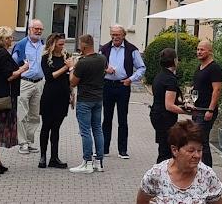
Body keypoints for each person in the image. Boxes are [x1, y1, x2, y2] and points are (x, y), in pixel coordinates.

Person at [0, 26, 28, 174]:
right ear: (2, 40)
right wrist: (23, 69)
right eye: (9, 38)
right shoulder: (3, 55)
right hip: (3, 97)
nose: (11, 40)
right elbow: (9, 76)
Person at [101, 24, 146, 158]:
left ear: (123, 35)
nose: (115, 37)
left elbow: (141, 68)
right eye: (113, 35)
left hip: (123, 85)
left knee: (122, 118)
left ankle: (122, 150)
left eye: (117, 35)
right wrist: (105, 70)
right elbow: (97, 66)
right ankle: (104, 149)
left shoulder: (132, 49)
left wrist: (131, 79)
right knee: (107, 118)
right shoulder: (104, 49)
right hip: (108, 85)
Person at [69, 34, 108, 173]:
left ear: (84, 46)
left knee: (85, 131)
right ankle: (99, 162)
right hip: (98, 98)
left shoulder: (82, 62)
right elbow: (104, 72)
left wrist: (72, 68)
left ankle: (87, 162)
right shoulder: (102, 58)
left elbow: (73, 82)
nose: (79, 47)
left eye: (80, 45)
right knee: (97, 129)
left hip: (85, 100)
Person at [39, 32, 75, 168]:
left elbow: (71, 76)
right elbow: (49, 77)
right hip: (49, 95)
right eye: (60, 44)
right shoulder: (45, 57)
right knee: (46, 126)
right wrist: (65, 67)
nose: (63, 46)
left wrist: (72, 92)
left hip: (63, 95)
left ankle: (54, 157)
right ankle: (43, 156)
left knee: (56, 128)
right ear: (53, 44)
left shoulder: (67, 56)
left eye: (63, 44)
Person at [11, 18, 46, 154]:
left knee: (35, 114)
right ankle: (22, 142)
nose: (38, 31)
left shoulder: (44, 45)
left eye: (40, 29)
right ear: (29, 29)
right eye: (35, 28)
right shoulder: (21, 44)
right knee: (22, 113)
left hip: (39, 83)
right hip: (25, 82)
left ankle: (30, 141)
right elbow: (13, 62)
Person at [150, 48, 187, 162]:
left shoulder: (159, 76)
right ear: (175, 61)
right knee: (167, 151)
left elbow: (162, 97)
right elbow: (169, 105)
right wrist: (186, 111)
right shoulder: (170, 79)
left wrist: (181, 104)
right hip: (165, 117)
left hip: (156, 114)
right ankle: (161, 175)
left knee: (164, 147)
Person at [190, 39, 222, 167]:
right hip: (197, 108)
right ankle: (199, 168)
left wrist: (210, 109)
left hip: (206, 110)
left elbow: (217, 89)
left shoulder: (214, 68)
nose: (199, 52)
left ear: (210, 51)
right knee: (196, 139)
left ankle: (208, 170)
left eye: (202, 49)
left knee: (202, 140)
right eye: (198, 49)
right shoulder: (199, 67)